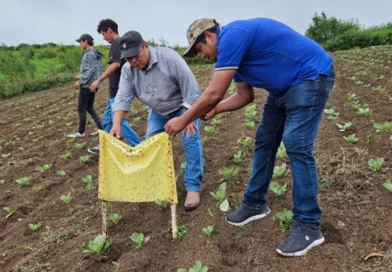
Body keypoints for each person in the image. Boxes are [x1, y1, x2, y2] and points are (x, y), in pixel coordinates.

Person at [164, 18, 335, 256]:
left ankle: (308, 226)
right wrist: (215, 110)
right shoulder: (236, 57)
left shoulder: (233, 36)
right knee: (265, 141)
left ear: (210, 37)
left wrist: (184, 119)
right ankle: (255, 204)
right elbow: (244, 96)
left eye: (199, 49)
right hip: (284, 89)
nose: (200, 56)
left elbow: (214, 92)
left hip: (311, 77)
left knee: (296, 144)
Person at [111, 30, 204, 211]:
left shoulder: (170, 59)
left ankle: (193, 187)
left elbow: (191, 90)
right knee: (152, 144)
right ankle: (159, 183)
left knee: (190, 138)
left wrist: (188, 116)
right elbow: (122, 99)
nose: (133, 61)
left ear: (145, 45)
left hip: (183, 106)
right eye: (128, 59)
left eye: (135, 56)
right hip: (158, 111)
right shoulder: (128, 70)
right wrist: (116, 124)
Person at [87, 19, 141, 154]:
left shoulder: (117, 42)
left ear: (110, 30)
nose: (104, 38)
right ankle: (104, 146)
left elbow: (116, 64)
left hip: (118, 90)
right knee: (107, 120)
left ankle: (139, 146)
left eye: (104, 34)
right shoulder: (119, 43)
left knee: (118, 121)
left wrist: (98, 80)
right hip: (114, 91)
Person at [68, 34, 104, 138]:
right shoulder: (95, 53)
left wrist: (81, 81)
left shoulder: (89, 54)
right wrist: (82, 74)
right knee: (90, 107)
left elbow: (91, 70)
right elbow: (96, 69)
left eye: (80, 42)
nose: (80, 44)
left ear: (85, 42)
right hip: (93, 84)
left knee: (81, 108)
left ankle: (81, 132)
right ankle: (101, 128)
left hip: (87, 85)